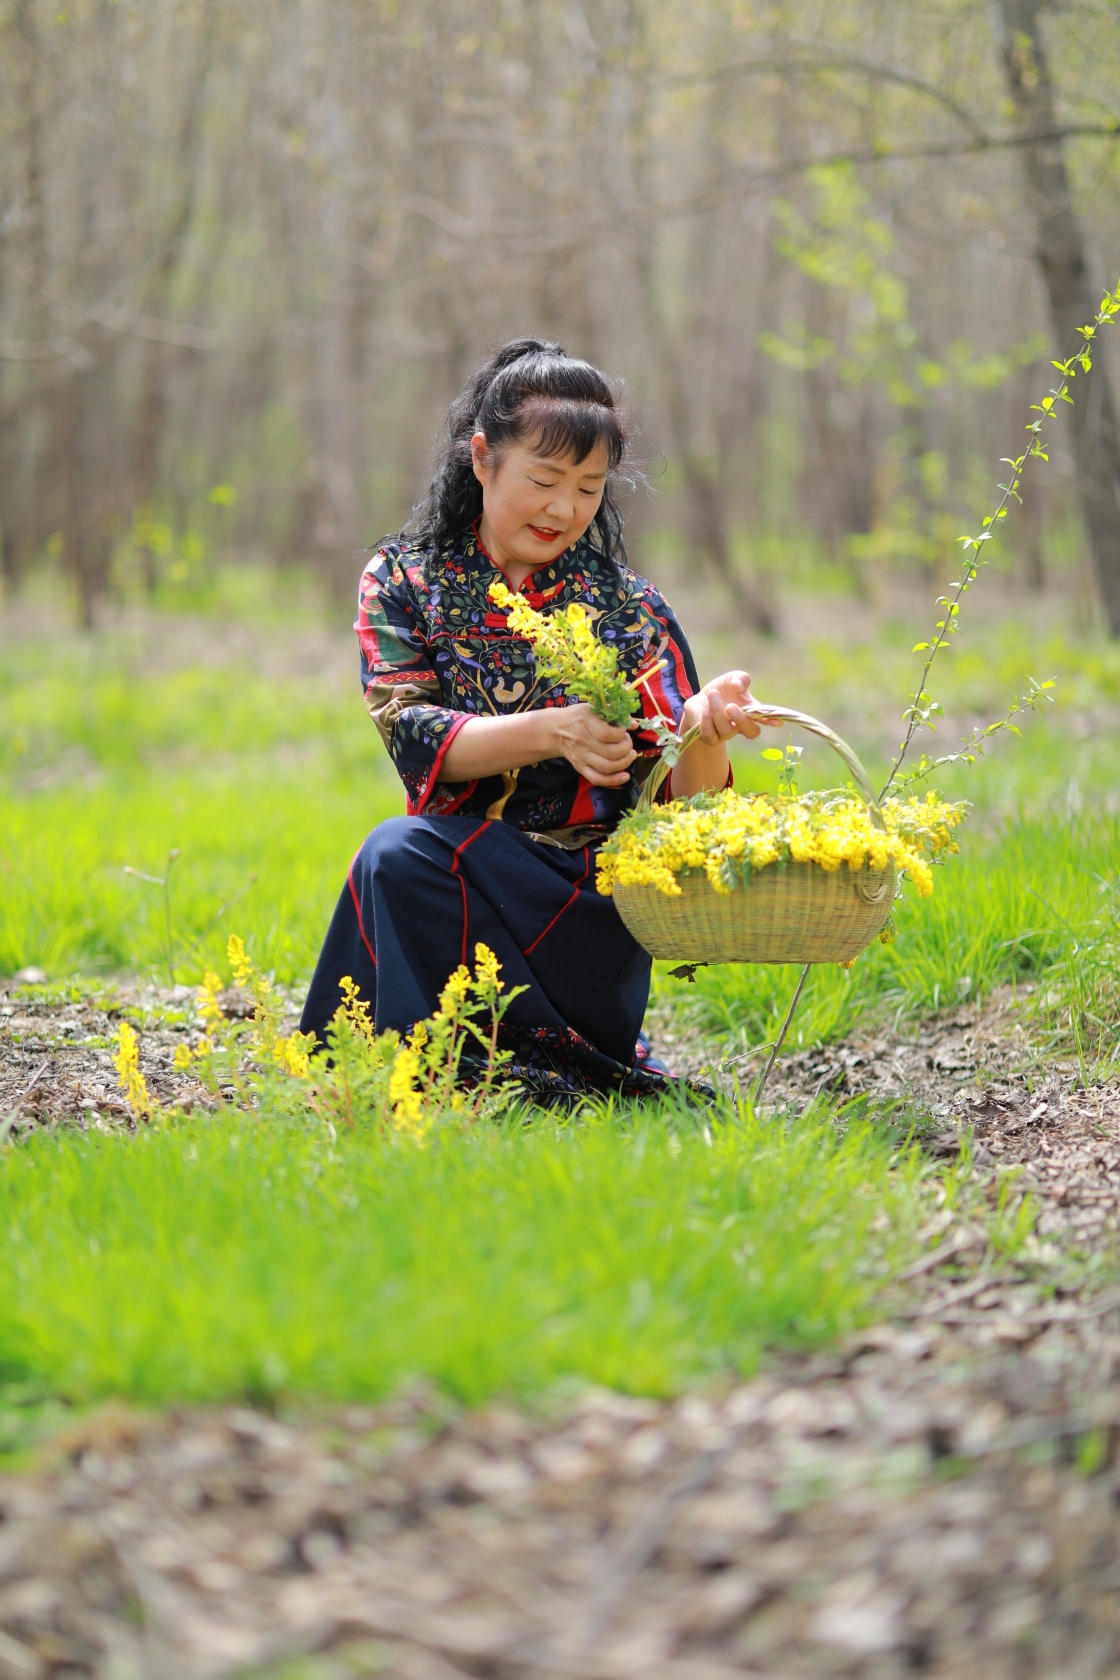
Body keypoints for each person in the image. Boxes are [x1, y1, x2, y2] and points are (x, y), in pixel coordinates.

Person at [300, 338, 773, 1102]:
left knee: (399, 856)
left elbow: (693, 817)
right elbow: (413, 734)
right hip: (455, 884)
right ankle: (409, 1084)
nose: (565, 509)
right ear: (482, 458)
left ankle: (524, 1065)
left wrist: (703, 732)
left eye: (590, 488)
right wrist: (554, 729)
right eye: (545, 480)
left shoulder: (632, 610)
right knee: (399, 858)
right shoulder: (403, 582)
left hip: (591, 908)